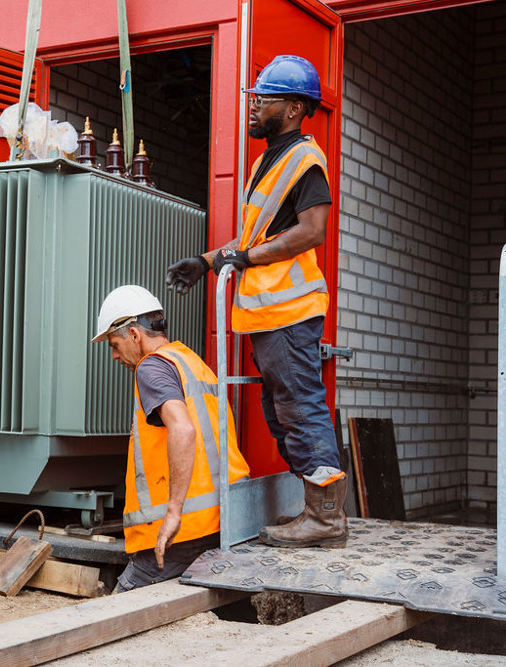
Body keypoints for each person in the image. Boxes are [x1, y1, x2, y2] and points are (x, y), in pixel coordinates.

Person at [165, 54, 347, 549]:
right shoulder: (267, 161)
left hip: (288, 313)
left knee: (302, 410)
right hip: (268, 316)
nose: (253, 107)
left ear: (291, 108)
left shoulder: (303, 160)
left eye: (263, 99)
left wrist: (239, 259)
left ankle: (327, 518)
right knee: (281, 411)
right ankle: (316, 508)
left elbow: (311, 232)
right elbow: (254, 237)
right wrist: (206, 262)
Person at [92, 285, 249, 592]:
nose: (114, 355)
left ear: (135, 336)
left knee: (118, 611)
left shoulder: (151, 367)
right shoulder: (191, 361)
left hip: (183, 531)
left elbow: (183, 429)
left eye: (114, 343)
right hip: (222, 519)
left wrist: (174, 512)